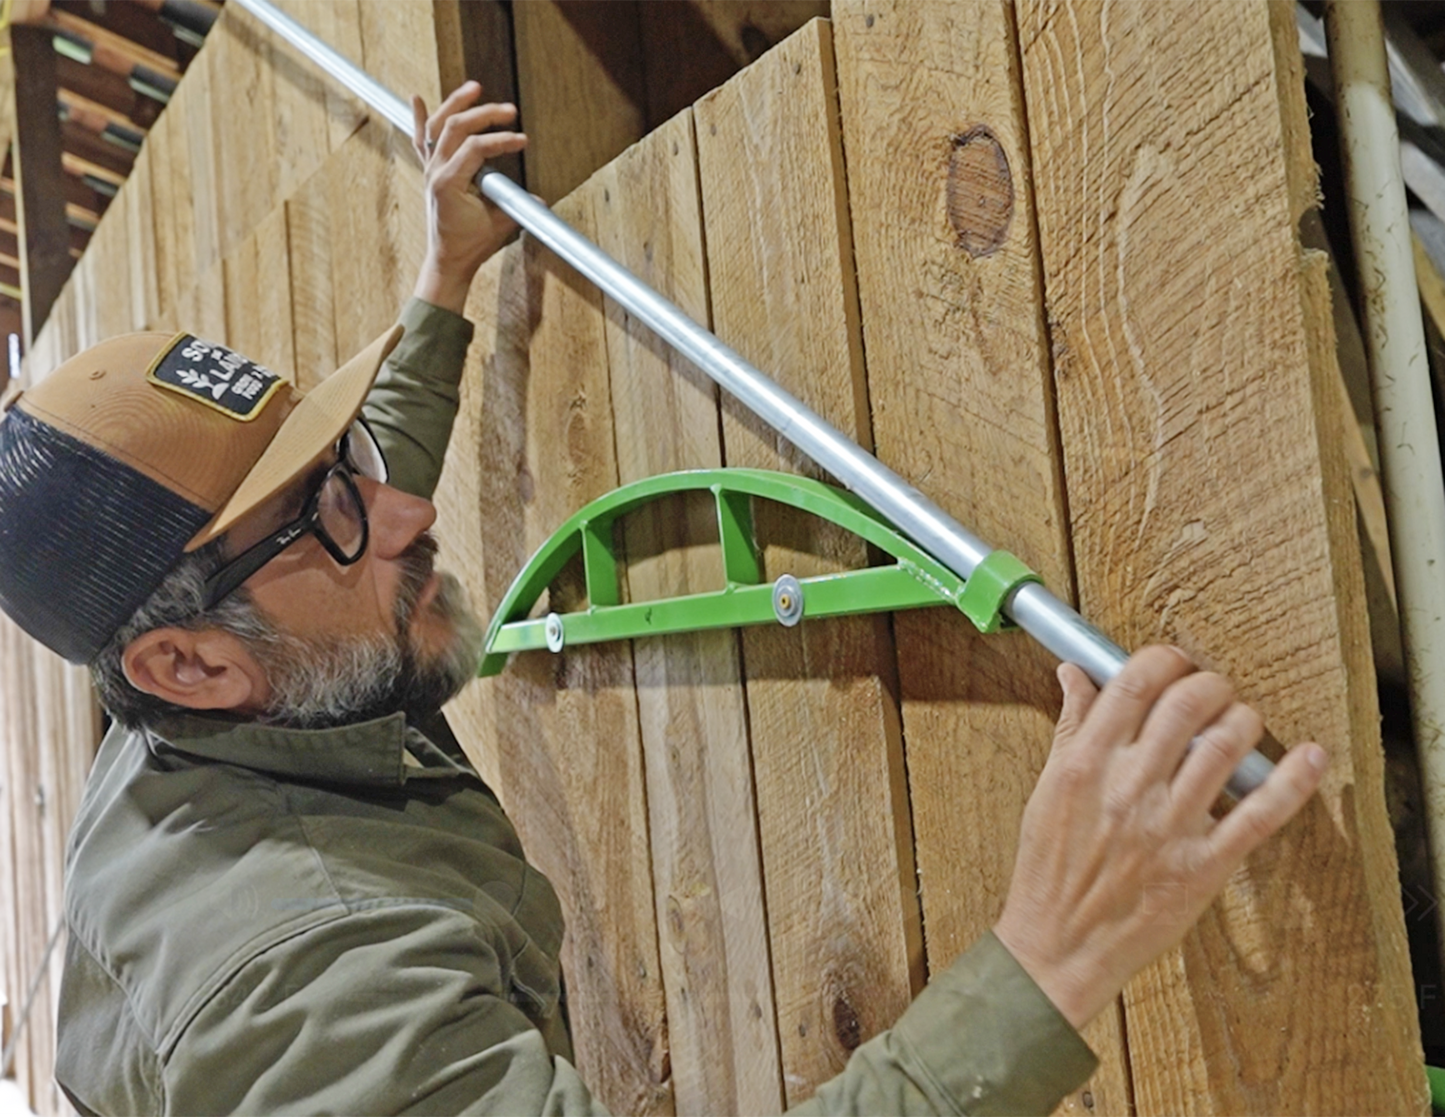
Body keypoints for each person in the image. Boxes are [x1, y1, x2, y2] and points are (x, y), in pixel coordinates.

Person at [0, 83, 1328, 1116]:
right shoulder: (312, 992)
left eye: (343, 455)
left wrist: (444, 274)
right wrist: (1049, 959)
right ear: (189, 666)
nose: (403, 511)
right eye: (329, 511)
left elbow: (351, 496)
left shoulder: (219, 673)